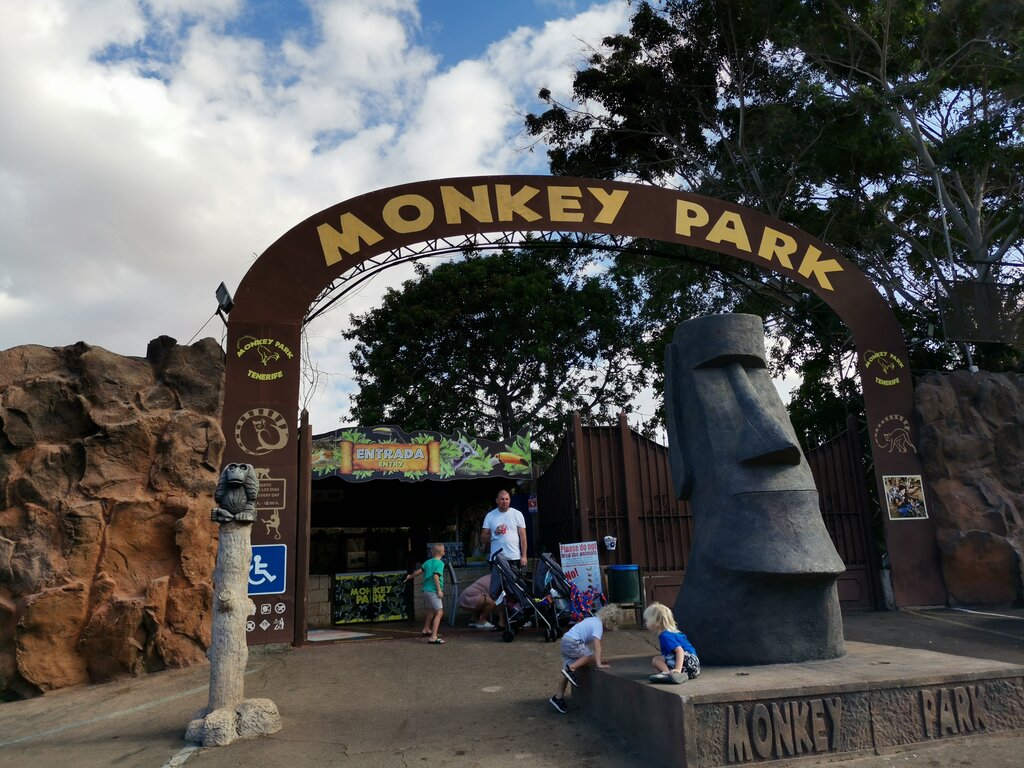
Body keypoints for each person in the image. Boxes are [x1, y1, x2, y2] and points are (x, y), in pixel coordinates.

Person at [548, 604, 625, 714]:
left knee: (565, 671)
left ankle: (558, 697)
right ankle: (572, 668)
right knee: (591, 655)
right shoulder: (598, 625)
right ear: (611, 622)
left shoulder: (592, 619)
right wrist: (598, 662)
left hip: (565, 640)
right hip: (573, 642)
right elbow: (597, 646)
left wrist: (599, 659)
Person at [480, 490, 527, 628]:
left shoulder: (517, 514)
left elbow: (523, 537)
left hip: (514, 557)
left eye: (507, 499)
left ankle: (519, 618)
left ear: (510, 500)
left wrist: (524, 556)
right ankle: (502, 620)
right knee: (498, 591)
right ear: (497, 500)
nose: (504, 501)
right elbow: (483, 538)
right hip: (497, 559)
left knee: (515, 588)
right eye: (502, 499)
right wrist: (495, 533)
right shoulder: (490, 516)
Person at [642, 602, 700, 684]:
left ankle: (669, 675)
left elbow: (680, 651)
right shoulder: (674, 632)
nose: (645, 623)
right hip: (694, 668)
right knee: (658, 666)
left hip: (687, 661)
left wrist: (677, 670)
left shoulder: (666, 635)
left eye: (647, 620)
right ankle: (669, 674)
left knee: (656, 660)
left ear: (656, 622)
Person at [405, 543, 446, 644]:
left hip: (426, 590)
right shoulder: (440, 564)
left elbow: (418, 571)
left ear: (432, 552)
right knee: (439, 612)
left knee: (430, 611)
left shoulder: (428, 562)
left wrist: (410, 576)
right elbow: (436, 577)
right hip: (434, 591)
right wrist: (439, 590)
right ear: (443, 552)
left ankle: (426, 628)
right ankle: (433, 637)